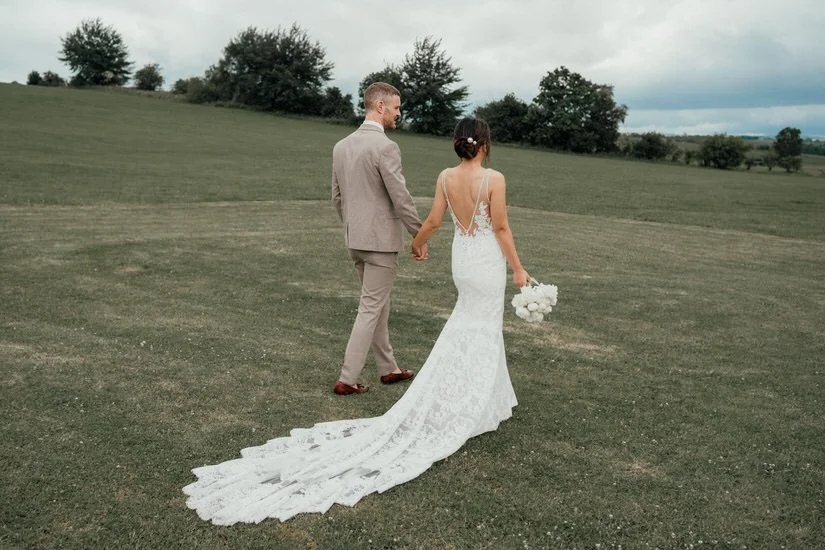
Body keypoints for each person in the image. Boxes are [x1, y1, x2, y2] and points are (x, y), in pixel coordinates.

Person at [182, 116, 529, 525]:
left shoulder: (445, 177)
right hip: (485, 260)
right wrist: (520, 270)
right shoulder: (495, 179)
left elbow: (434, 221)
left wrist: (418, 244)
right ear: (485, 143)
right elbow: (502, 226)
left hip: (462, 261)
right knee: (483, 325)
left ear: (458, 143)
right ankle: (477, 396)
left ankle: (487, 391)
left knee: (467, 321)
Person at [331, 82, 425, 395]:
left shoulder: (341, 146)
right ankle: (347, 378)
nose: (399, 113)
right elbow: (401, 196)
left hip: (354, 239)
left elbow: (337, 197)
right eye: (396, 108)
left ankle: (389, 369)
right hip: (380, 243)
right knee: (370, 308)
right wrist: (419, 233)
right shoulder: (386, 147)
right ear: (380, 107)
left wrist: (352, 226)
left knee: (377, 304)